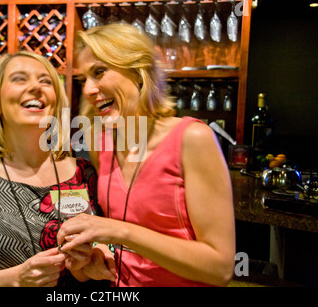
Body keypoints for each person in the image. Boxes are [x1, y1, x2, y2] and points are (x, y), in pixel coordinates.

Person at [57, 24, 236, 287]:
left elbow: (219, 268)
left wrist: (120, 232)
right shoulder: (102, 142)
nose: (88, 90)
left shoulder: (192, 138)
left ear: (139, 72)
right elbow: (122, 245)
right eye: (84, 79)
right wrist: (95, 257)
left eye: (99, 72)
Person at [0, 51, 115, 287]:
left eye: (46, 81)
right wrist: (15, 279)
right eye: (19, 79)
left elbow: (112, 243)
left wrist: (96, 259)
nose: (36, 87)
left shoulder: (88, 173)